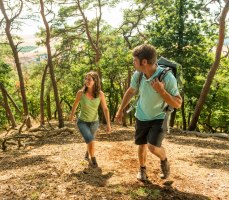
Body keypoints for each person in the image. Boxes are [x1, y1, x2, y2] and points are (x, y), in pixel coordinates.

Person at [115, 44, 182, 181]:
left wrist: (162, 91)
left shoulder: (167, 77)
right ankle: (142, 170)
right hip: (141, 115)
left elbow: (178, 103)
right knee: (142, 144)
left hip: (159, 116)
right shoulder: (138, 75)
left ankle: (164, 159)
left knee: (152, 147)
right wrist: (120, 109)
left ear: (143, 62)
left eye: (134, 60)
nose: (133, 63)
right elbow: (131, 91)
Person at [69, 71, 111, 168]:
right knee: (90, 139)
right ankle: (93, 158)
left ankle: (88, 152)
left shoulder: (100, 94)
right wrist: (71, 115)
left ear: (95, 81)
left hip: (94, 122)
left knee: (90, 140)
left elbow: (105, 109)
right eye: (86, 79)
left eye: (89, 79)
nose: (87, 81)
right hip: (82, 122)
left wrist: (108, 124)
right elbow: (75, 105)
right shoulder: (80, 93)